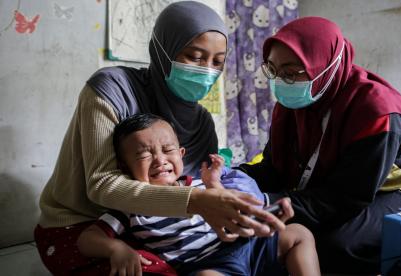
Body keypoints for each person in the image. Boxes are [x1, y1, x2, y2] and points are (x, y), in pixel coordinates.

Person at [34, 2, 290, 275]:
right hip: (85, 225)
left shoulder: (201, 122)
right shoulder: (112, 89)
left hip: (152, 230)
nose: (208, 71)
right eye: (195, 56)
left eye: (218, 62)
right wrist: (195, 202)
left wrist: (246, 210)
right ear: (163, 50)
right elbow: (103, 186)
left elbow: (192, 190)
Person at [238, 16, 401, 274]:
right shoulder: (294, 106)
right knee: (295, 232)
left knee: (335, 245)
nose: (278, 82)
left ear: (325, 67)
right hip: (363, 188)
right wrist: (233, 179)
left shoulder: (374, 111)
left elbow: (343, 198)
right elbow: (274, 169)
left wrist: (264, 201)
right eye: (273, 70)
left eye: (290, 72)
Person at [76, 113, 321, 276]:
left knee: (299, 234)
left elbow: (231, 215)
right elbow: (87, 238)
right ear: (124, 167)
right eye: (144, 154)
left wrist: (215, 185)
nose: (160, 160)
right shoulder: (130, 204)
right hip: (210, 264)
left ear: (181, 153)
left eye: (168, 149)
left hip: (248, 245)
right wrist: (116, 249)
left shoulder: (196, 185)